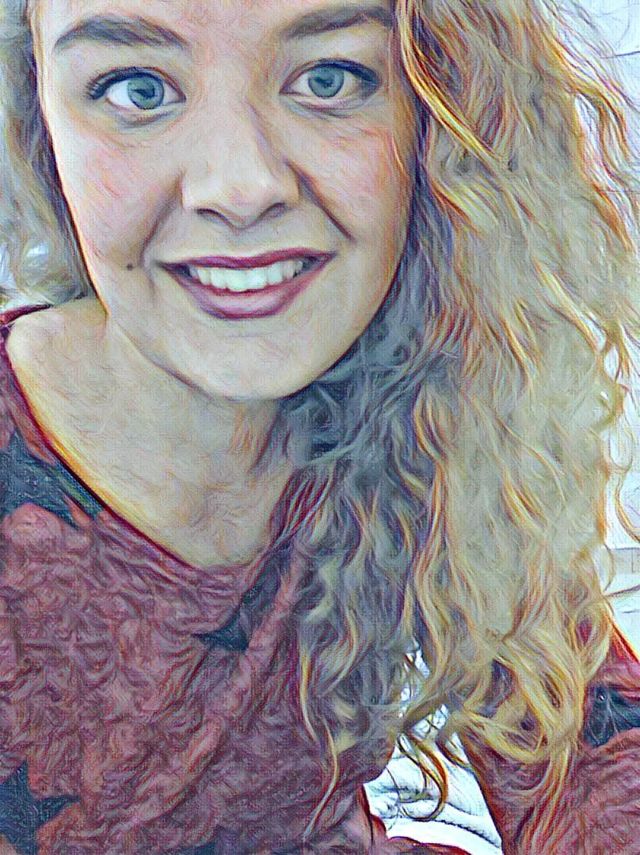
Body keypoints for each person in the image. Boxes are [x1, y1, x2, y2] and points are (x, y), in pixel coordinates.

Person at [0, 0, 637, 852]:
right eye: (136, 88)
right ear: (42, 123)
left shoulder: (421, 410)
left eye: (329, 79)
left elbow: (588, 750)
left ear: (435, 118)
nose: (239, 187)